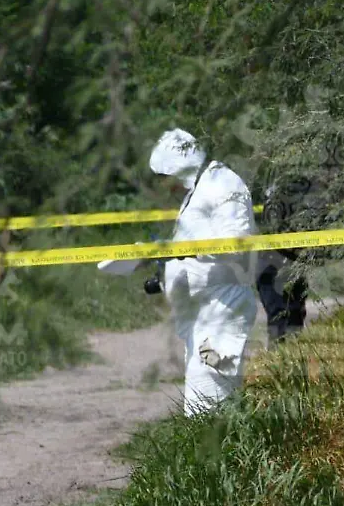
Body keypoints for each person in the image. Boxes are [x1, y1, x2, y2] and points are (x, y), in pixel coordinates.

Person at [100, 128, 259, 416]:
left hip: (223, 309)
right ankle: (217, 455)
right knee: (204, 405)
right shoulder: (199, 189)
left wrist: (189, 249)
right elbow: (194, 245)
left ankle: (222, 457)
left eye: (165, 178)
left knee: (210, 404)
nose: (165, 186)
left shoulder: (223, 186)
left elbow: (237, 244)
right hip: (202, 314)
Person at [255, 183, 308, 344]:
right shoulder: (265, 218)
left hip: (293, 266)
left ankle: (291, 356)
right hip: (270, 266)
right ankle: (278, 357)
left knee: (295, 314)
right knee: (278, 315)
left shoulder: (301, 214)